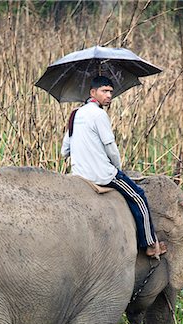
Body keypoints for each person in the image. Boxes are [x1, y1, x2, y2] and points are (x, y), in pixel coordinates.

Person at [61, 75, 166, 259]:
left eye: (110, 91)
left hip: (78, 174)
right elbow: (110, 146)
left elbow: (64, 150)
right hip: (101, 174)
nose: (109, 95)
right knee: (138, 196)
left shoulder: (75, 114)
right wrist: (117, 168)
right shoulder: (99, 114)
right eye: (104, 91)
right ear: (93, 92)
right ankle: (150, 244)